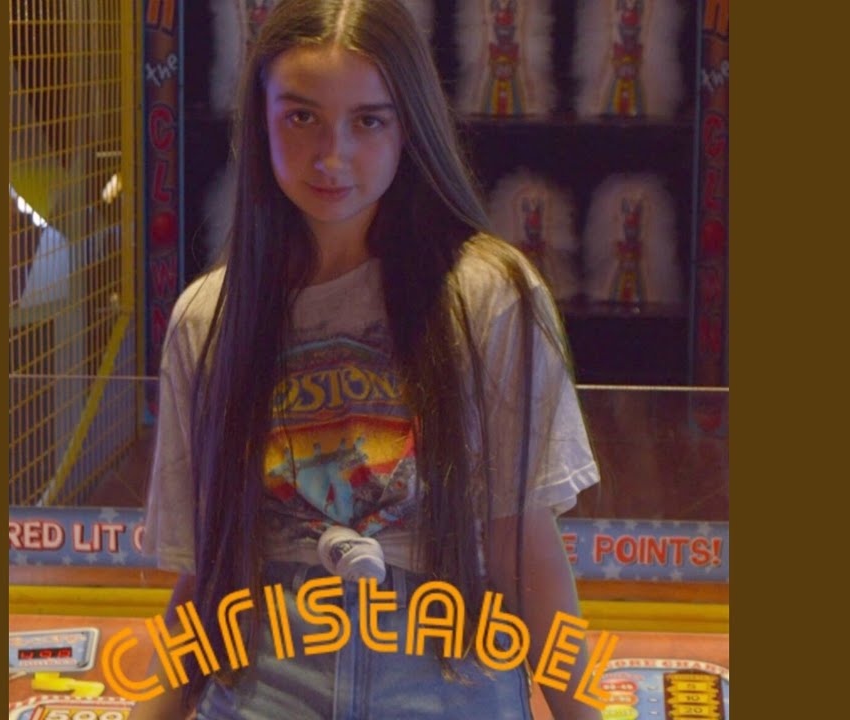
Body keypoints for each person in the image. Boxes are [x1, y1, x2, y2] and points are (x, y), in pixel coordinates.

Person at [134, 1, 601, 718]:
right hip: (266, 686)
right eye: (302, 116)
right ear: (259, 121)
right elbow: (207, 576)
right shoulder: (210, 318)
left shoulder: (489, 296)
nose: (332, 156)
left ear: (409, 126)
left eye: (368, 121)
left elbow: (524, 545)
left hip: (450, 684)